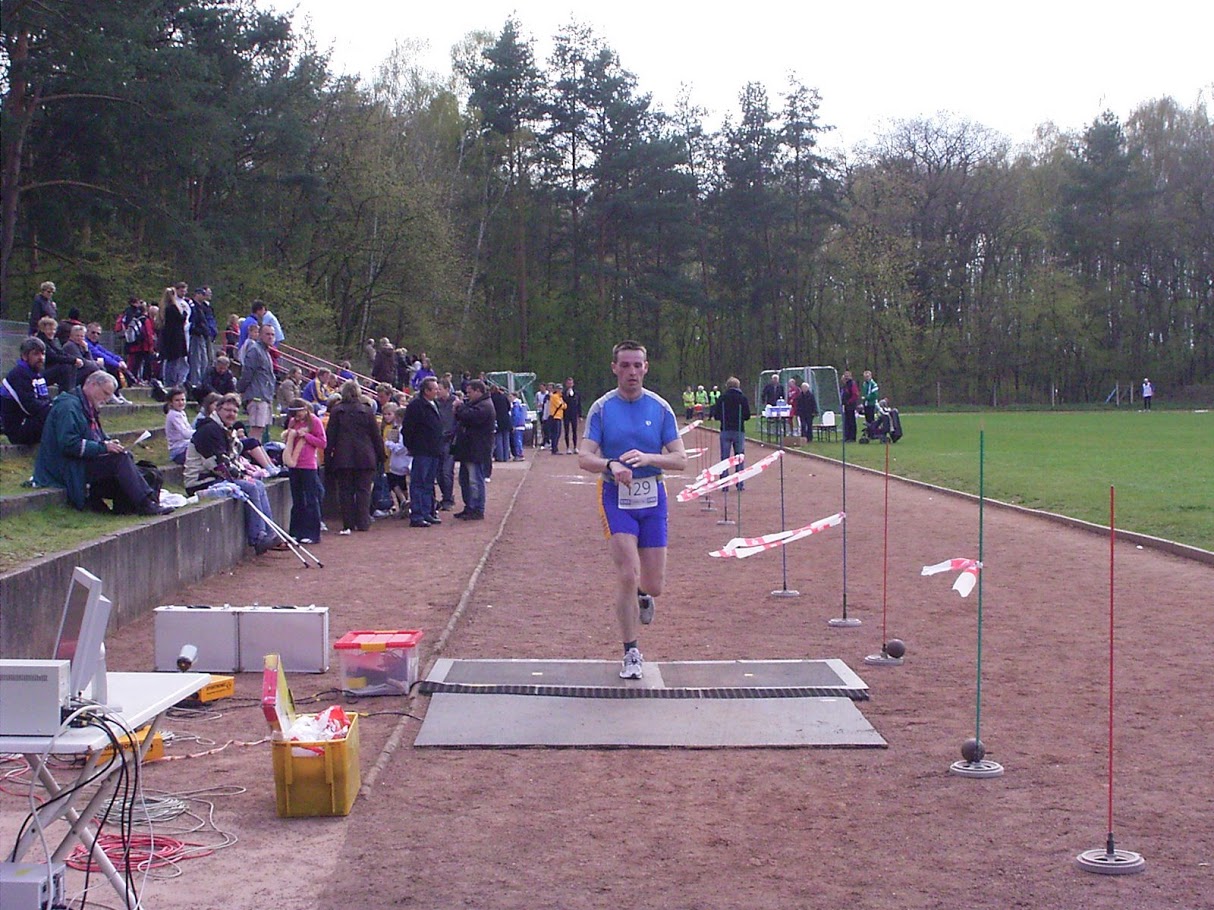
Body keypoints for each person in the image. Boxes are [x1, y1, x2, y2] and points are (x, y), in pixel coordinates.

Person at [578, 340, 687, 680]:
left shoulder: (660, 408)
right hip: (616, 497)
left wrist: (649, 457)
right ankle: (631, 653)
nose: (632, 372)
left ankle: (643, 594)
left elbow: (681, 459)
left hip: (652, 496)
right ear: (614, 368)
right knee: (627, 571)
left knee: (653, 585)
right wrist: (610, 464)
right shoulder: (602, 408)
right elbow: (584, 456)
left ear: (646, 368)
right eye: (625, 366)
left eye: (637, 366)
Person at [34, 371, 172, 515]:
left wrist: (109, 443)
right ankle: (145, 504)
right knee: (120, 460)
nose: (106, 399)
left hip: (80, 462)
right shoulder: (68, 407)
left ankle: (132, 504)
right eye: (105, 393)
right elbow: (69, 445)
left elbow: (95, 436)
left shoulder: (86, 405)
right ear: (93, 385)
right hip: (67, 467)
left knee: (133, 461)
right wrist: (104, 447)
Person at [184, 392, 280, 553]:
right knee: (251, 486)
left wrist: (245, 473)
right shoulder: (209, 430)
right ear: (218, 409)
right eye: (228, 410)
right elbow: (217, 464)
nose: (231, 414)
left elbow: (233, 458)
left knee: (258, 484)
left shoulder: (226, 430)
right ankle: (258, 537)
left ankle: (269, 533)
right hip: (201, 481)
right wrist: (241, 476)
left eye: (235, 411)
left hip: (217, 477)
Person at [324, 379, 385, 534]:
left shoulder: (337, 411)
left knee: (345, 491)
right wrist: (381, 455)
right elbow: (375, 435)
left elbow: (330, 437)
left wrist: (328, 457)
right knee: (363, 490)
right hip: (365, 455)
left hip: (343, 456)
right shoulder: (367, 410)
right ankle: (363, 521)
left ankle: (348, 523)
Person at [401, 375, 444, 527]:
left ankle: (427, 512)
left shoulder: (434, 404)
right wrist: (411, 446)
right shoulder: (416, 406)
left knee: (428, 483)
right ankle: (417, 515)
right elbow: (407, 429)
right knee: (418, 483)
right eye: (435, 389)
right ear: (426, 391)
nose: (438, 392)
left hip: (433, 450)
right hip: (422, 450)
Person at [282, 399, 326, 544]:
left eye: (298, 413)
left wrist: (305, 436)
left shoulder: (315, 421)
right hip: (294, 465)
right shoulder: (292, 422)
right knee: (297, 500)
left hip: (308, 465)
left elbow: (322, 442)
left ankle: (313, 533)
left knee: (311, 500)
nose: (297, 417)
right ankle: (296, 532)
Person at [451, 379, 495, 520]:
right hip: (469, 449)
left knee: (475, 480)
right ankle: (470, 506)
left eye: (470, 392)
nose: (467, 395)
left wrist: (460, 407)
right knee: (465, 480)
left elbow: (470, 417)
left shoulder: (484, 406)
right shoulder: (478, 404)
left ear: (478, 391)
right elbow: (464, 416)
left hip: (476, 449)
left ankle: (477, 508)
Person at [1, 337, 51, 444]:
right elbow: (30, 407)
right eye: (36, 354)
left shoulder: (37, 374)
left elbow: (45, 400)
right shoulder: (19, 374)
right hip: (18, 429)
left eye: (43, 354)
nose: (41, 358)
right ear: (24, 356)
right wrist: (52, 407)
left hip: (31, 421)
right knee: (57, 412)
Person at [237, 323, 277, 442]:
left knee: (261, 430)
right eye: (267, 334)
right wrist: (240, 390)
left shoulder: (266, 352)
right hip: (257, 397)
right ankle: (251, 456)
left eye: (273, 334)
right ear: (260, 335)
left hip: (266, 396)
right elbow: (247, 373)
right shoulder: (255, 350)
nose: (270, 337)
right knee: (255, 431)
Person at [710, 376, 751, 488]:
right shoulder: (742, 398)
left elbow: (717, 415)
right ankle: (739, 482)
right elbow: (747, 416)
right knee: (739, 457)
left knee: (725, 457)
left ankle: (724, 483)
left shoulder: (722, 398)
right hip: (738, 430)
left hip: (726, 429)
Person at [159, 285, 190, 386]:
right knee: (174, 361)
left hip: (168, 337)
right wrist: (184, 312)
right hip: (176, 337)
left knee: (170, 361)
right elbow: (181, 320)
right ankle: (171, 381)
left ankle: (169, 380)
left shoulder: (164, 308)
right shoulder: (173, 308)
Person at [187, 286, 218, 386]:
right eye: (203, 294)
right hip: (196, 334)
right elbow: (193, 321)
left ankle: (203, 381)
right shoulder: (192, 305)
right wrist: (198, 329)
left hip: (204, 334)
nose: (204, 296)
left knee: (205, 360)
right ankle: (195, 382)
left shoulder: (203, 306)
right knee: (196, 360)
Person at [164, 386, 193, 465]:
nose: (181, 402)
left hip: (185, 446)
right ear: (171, 402)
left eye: (183, 400)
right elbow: (186, 434)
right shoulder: (174, 415)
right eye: (177, 400)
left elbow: (189, 429)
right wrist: (201, 432)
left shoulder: (181, 413)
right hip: (178, 451)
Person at [562, 376, 582, 454]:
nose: (570, 384)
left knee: (574, 431)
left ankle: (575, 447)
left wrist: (579, 415)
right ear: (566, 384)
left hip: (574, 414)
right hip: (566, 414)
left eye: (571, 383)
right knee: (566, 431)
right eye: (568, 383)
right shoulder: (563, 393)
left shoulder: (576, 393)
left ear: (573, 384)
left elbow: (579, 404)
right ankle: (567, 447)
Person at [840, 369, 860, 442]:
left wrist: (849, 402)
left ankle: (852, 437)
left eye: (847, 375)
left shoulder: (852, 384)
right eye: (845, 375)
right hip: (846, 405)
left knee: (851, 421)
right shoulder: (845, 385)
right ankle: (847, 436)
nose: (846, 377)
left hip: (850, 406)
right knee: (846, 421)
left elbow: (855, 395)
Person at [546, 383, 566, 454]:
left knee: (558, 433)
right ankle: (554, 449)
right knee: (555, 433)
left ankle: (555, 448)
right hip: (555, 417)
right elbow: (560, 405)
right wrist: (563, 405)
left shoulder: (560, 397)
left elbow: (565, 406)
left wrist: (563, 405)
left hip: (559, 416)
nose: (560, 390)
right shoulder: (554, 396)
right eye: (559, 389)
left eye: (561, 389)